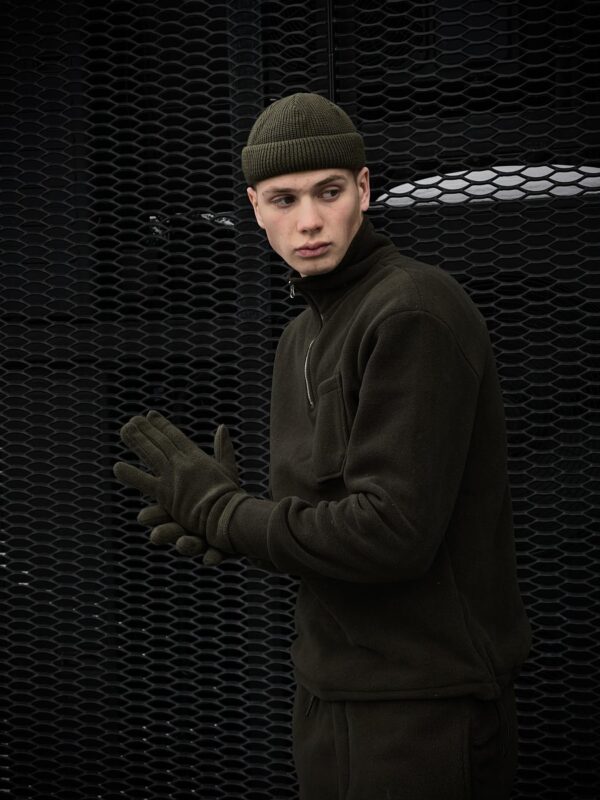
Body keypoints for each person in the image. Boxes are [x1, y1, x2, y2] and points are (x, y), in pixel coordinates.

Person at [113, 92, 532, 799]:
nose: (308, 221)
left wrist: (226, 514)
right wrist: (235, 527)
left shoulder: (414, 310)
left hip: (424, 705)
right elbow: (322, 528)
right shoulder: (300, 336)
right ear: (255, 208)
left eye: (328, 192)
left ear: (363, 189)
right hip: (327, 690)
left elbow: (390, 535)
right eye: (284, 199)